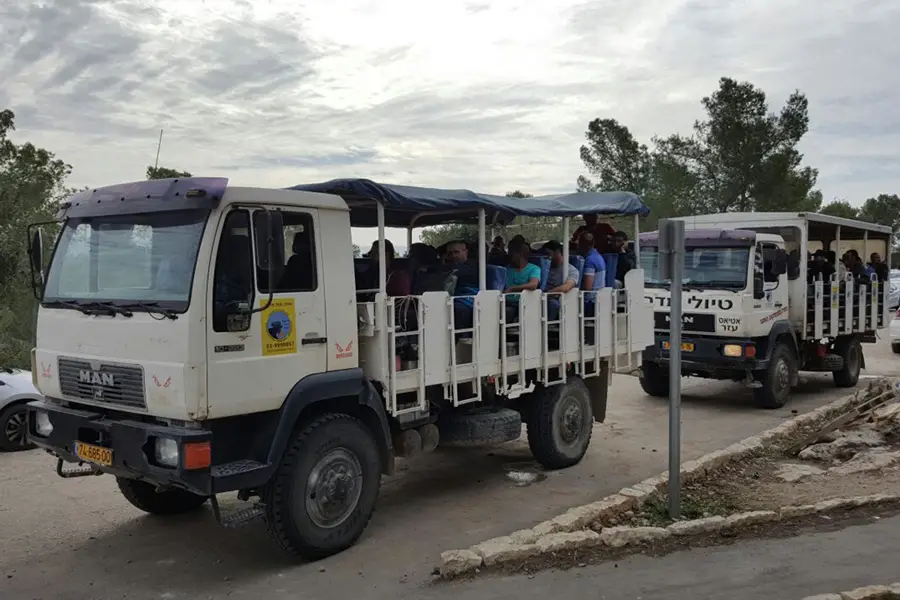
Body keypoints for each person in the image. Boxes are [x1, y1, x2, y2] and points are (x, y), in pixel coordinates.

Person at [444, 240, 481, 329]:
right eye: (450, 253)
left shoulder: (473, 266)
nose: (453, 256)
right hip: (450, 298)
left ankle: (463, 338)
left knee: (458, 309)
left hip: (468, 299)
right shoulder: (447, 267)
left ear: (466, 252)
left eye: (456, 252)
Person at [504, 239, 541, 321]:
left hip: (523, 302)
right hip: (506, 301)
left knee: (507, 312)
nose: (509, 255)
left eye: (512, 253)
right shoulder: (508, 269)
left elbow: (533, 284)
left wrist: (513, 288)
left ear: (519, 254)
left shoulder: (534, 269)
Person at [542, 240, 579, 321]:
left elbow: (566, 287)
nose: (546, 257)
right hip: (540, 297)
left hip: (555, 298)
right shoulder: (545, 267)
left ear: (557, 252)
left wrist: (547, 293)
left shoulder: (571, 270)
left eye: (548, 254)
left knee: (553, 304)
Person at [578, 232, 606, 316]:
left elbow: (588, 287)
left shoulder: (590, 260)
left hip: (590, 302)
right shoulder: (599, 257)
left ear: (582, 244)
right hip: (598, 299)